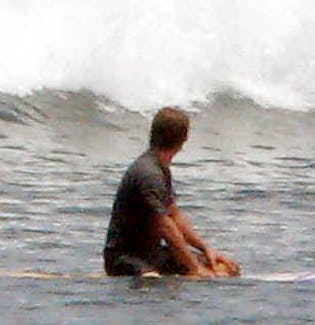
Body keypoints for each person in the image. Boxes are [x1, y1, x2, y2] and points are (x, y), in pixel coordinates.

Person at [102, 107, 241, 278]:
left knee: (225, 269)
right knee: (154, 281)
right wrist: (195, 268)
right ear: (183, 140)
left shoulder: (161, 169)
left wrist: (205, 249)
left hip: (152, 253)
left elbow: (175, 217)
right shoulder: (148, 174)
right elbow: (165, 226)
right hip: (125, 258)